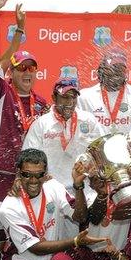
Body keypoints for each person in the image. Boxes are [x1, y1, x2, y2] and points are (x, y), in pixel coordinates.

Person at [0, 0, 48, 201]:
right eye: (21, 68)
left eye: (32, 68)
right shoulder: (1, 93)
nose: (27, 72)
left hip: (34, 177)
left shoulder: (41, 103)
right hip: (3, 175)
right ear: (10, 72)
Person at [23, 77, 105, 238]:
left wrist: (96, 171)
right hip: (53, 193)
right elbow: (28, 158)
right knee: (57, 242)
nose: (70, 102)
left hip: (85, 191)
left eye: (73, 97)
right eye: (65, 97)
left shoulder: (88, 120)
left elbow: (101, 152)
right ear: (54, 98)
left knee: (87, 240)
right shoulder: (41, 124)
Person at [77, 47, 131, 134]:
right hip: (95, 147)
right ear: (102, 70)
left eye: (119, 68)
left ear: (125, 71)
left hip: (127, 147)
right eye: (111, 67)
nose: (115, 72)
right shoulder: (84, 97)